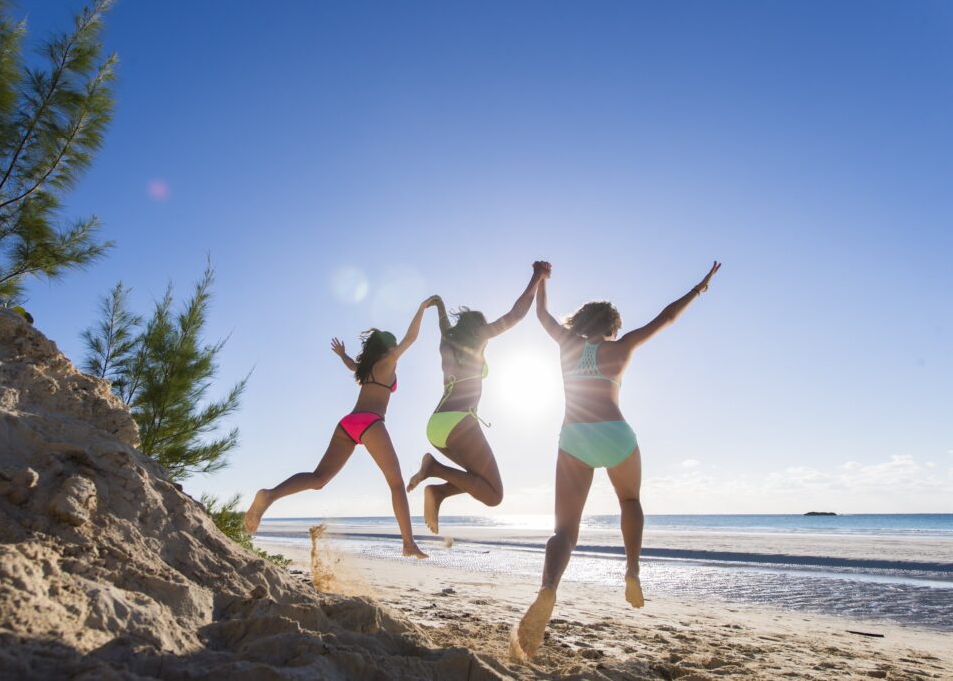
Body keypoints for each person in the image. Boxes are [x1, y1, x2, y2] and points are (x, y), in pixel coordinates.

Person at [511, 261, 722, 660]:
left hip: (574, 437)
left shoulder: (566, 344)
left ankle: (549, 587)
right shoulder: (620, 348)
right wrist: (699, 288)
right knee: (629, 502)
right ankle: (632, 570)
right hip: (615, 434)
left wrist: (541, 278)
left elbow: (540, 314)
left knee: (565, 532)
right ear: (611, 327)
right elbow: (666, 317)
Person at [243, 295, 443, 559]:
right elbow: (411, 338)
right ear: (388, 348)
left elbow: (352, 365)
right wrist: (420, 309)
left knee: (318, 479)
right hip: (371, 423)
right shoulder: (388, 362)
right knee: (395, 483)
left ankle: (269, 495)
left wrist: (342, 355)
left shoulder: (366, 368)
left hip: (348, 424)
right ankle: (408, 542)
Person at [408, 262, 552, 533]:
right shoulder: (479, 337)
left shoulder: (447, 340)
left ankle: (438, 492)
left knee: (477, 480)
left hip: (436, 425)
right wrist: (536, 276)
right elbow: (517, 313)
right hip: (459, 420)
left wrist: (439, 304)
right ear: (478, 329)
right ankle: (433, 468)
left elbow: (443, 323)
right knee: (494, 494)